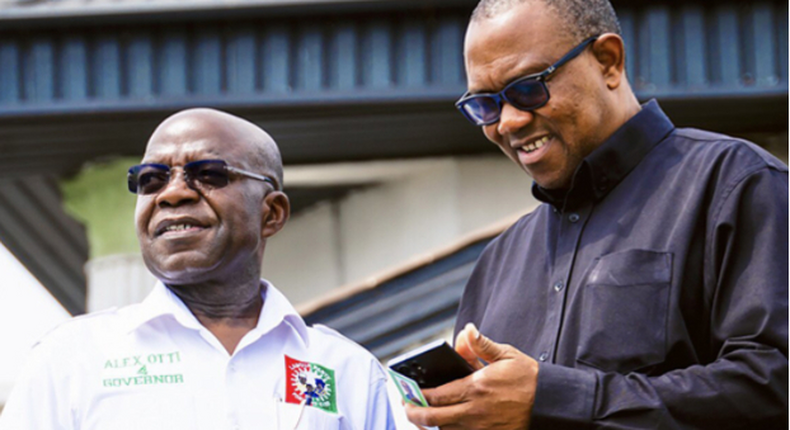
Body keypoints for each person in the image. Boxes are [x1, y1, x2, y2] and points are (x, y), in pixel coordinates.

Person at [405, 0, 788, 429]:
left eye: (528, 88)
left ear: (608, 61)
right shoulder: (497, 265)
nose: (508, 123)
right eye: (485, 106)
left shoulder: (736, 184)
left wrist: (551, 398)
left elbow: (775, 385)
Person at [1, 108, 396, 430]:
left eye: (208, 174)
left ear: (271, 213)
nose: (172, 193)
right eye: (152, 179)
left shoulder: (347, 371)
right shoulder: (72, 360)